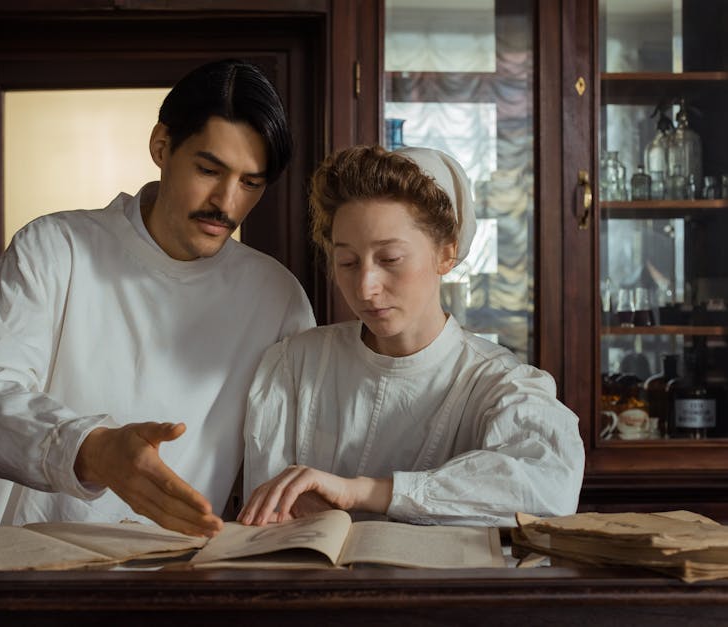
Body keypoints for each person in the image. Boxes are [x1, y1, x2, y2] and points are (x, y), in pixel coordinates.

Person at [0, 59, 315, 536]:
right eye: (208, 169)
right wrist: (91, 449)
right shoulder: (56, 247)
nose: (227, 202)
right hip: (28, 558)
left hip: (179, 572)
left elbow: (287, 460)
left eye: (250, 183)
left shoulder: (277, 296)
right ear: (161, 146)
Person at [239, 145, 584, 528]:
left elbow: (549, 488)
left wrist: (363, 492)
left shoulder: (497, 383)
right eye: (347, 262)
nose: (366, 287)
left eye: (390, 259)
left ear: (446, 254)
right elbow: (265, 521)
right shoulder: (294, 365)